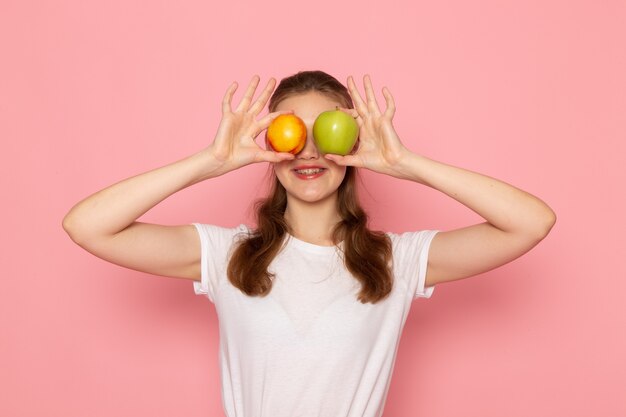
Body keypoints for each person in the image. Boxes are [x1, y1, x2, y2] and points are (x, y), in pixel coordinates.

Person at [62, 70, 556, 417]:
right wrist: (208, 162)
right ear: (270, 145)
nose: (311, 152)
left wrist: (408, 164)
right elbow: (87, 226)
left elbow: (530, 223)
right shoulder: (227, 255)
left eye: (327, 130)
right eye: (291, 132)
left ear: (353, 142)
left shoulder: (396, 261)